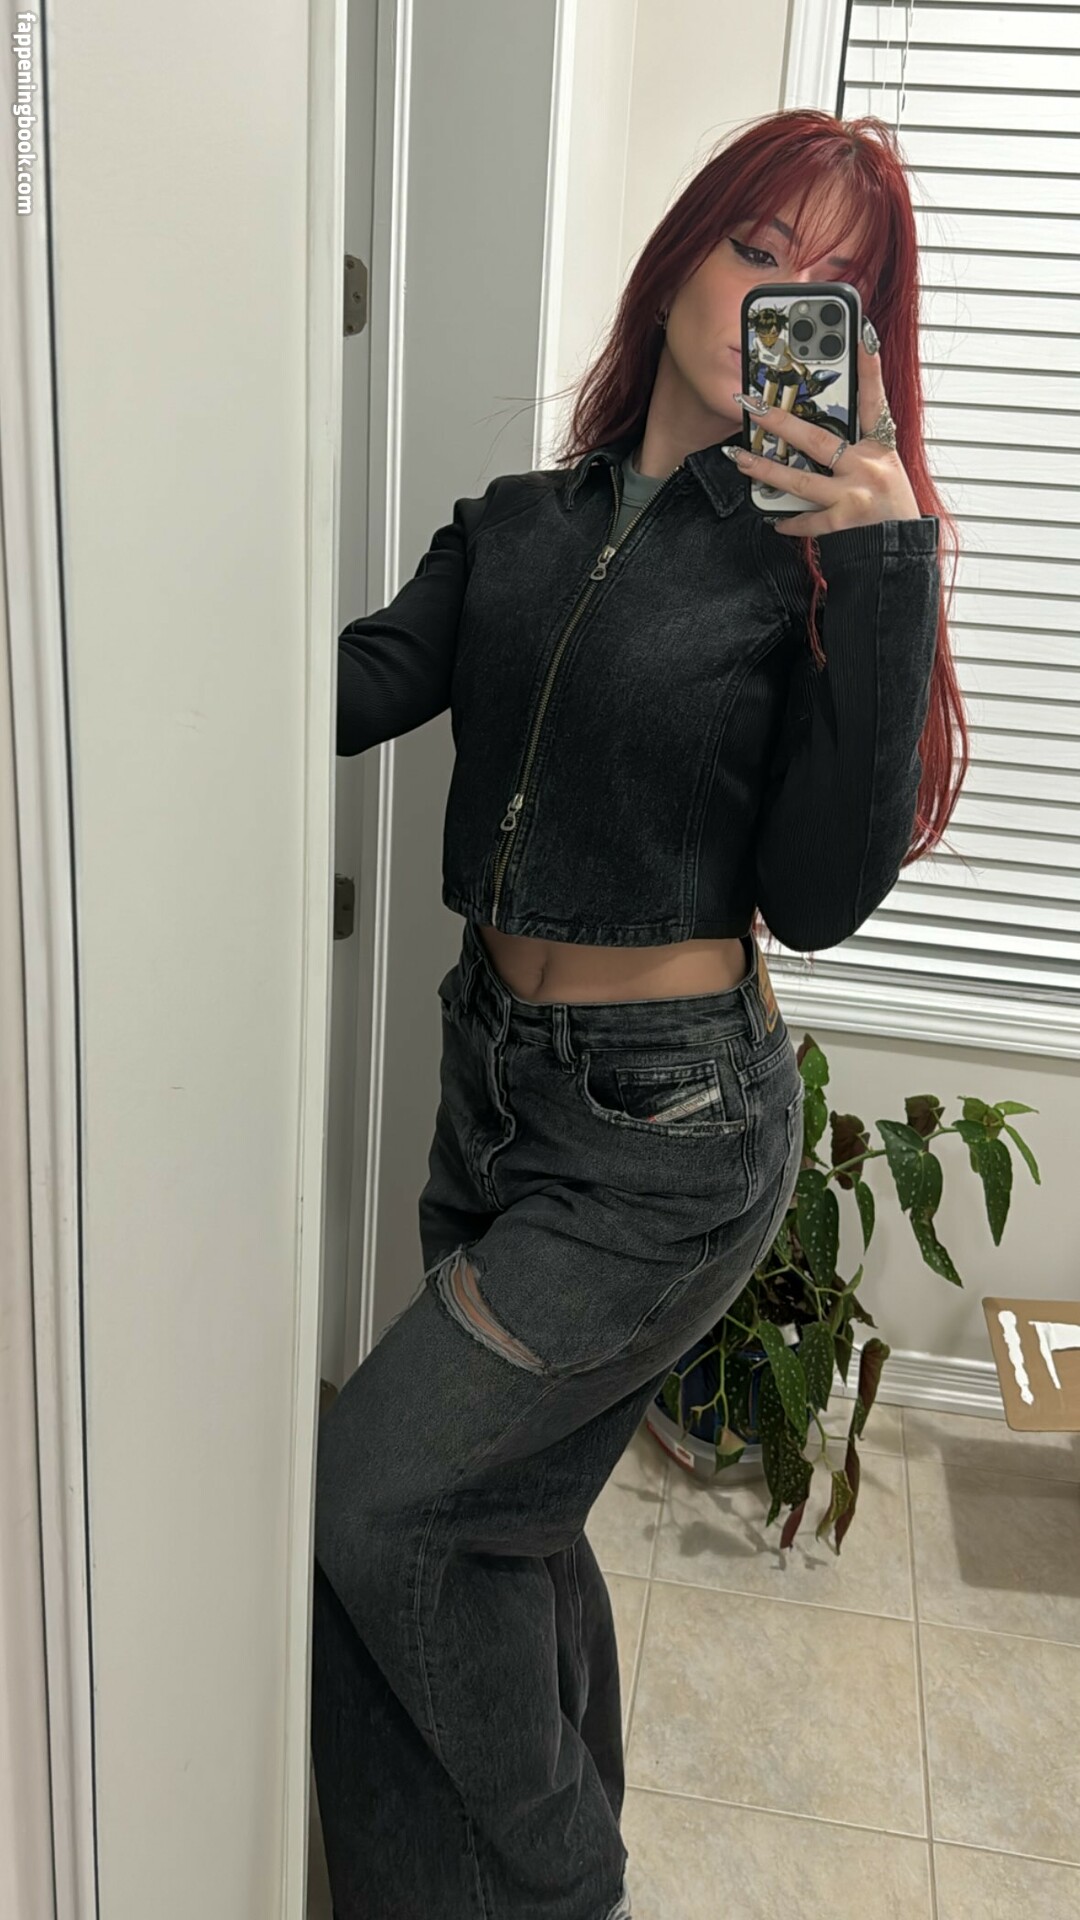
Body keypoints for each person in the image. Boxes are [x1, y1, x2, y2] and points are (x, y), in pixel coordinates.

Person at [310, 107, 965, 1920]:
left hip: (667, 1138)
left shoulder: (806, 572)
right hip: (492, 1085)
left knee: (376, 1502)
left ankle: (563, 1886)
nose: (778, 299)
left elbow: (817, 900)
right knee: (497, 1527)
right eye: (757, 248)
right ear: (681, 254)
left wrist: (887, 563)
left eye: (830, 285)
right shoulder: (515, 528)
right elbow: (344, 692)